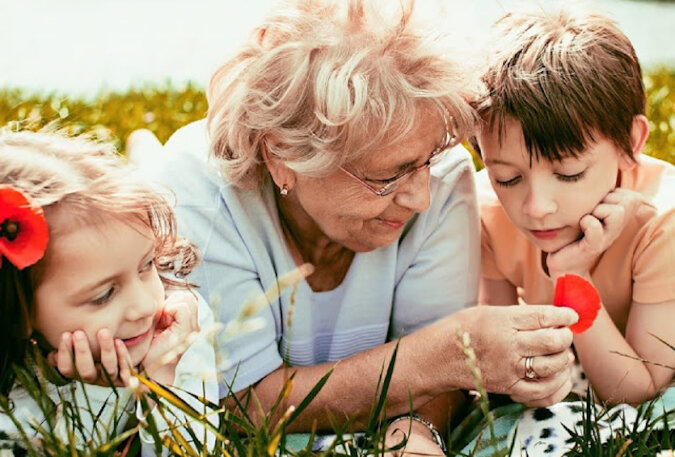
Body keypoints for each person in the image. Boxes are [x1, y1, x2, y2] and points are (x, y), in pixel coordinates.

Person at [138, 0, 580, 455]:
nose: (421, 197)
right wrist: (447, 350)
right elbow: (237, 402)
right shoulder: (199, 196)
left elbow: (445, 382)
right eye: (387, 175)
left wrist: (415, 432)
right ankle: (141, 151)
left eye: (427, 159)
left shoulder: (443, 175)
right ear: (281, 158)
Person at [467, 3, 675, 456]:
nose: (537, 208)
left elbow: (638, 391)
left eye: (569, 174)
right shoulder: (483, 209)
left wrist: (571, 278)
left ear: (632, 143)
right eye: (507, 177)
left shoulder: (662, 223)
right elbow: (497, 370)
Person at [0, 130, 218, 454]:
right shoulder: (15, 391)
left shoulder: (174, 329)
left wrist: (163, 383)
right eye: (103, 295)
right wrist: (98, 395)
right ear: (18, 312)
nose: (144, 306)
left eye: (147, 265)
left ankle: (145, 148)